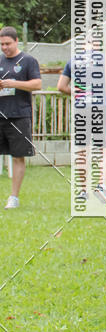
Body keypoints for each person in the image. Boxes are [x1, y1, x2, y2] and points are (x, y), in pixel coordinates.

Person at [58, 50, 106, 204]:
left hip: (82, 107)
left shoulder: (73, 60)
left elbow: (61, 86)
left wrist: (79, 94)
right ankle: (100, 186)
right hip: (102, 106)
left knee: (83, 148)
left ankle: (83, 191)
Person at [0, 27, 42, 209]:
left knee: (18, 157)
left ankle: (14, 197)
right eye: (1, 44)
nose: (4, 47)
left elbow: (37, 84)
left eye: (8, 44)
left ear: (16, 41)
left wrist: (14, 83)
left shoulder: (28, 61)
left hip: (19, 115)